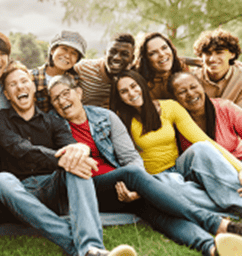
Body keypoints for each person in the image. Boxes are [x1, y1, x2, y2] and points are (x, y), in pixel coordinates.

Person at [48, 74, 242, 256]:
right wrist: (135, 179)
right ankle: (217, 224)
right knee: (132, 173)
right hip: (91, 186)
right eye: (56, 98)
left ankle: (211, 248)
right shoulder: (53, 125)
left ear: (79, 93)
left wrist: (136, 189)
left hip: (124, 185)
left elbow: (130, 156)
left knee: (158, 214)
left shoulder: (105, 117)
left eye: (66, 93)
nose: (62, 101)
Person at [0, 61, 136, 256]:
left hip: (53, 188)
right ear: (7, 94)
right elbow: (19, 148)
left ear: (33, 87)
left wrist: (80, 150)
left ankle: (92, 247)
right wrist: (59, 159)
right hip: (21, 192)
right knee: (1, 180)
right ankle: (81, 248)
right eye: (12, 84)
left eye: (24, 81)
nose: (20, 87)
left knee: (77, 166)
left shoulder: (53, 121)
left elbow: (72, 145)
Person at [109, 70, 242, 212]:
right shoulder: (119, 120)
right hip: (154, 178)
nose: (131, 93)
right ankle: (228, 207)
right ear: (119, 97)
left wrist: (240, 168)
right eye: (124, 91)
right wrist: (142, 188)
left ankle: (237, 200)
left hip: (179, 167)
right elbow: (125, 159)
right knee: (176, 186)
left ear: (141, 84)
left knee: (202, 148)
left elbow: (204, 139)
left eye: (134, 86)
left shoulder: (170, 107)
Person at [168, 71, 242, 160]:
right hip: (200, 170)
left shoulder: (225, 108)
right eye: (182, 92)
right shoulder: (172, 122)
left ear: (202, 87)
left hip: (237, 164)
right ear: (174, 98)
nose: (190, 94)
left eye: (193, 87)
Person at [74, 33, 135, 108]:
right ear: (105, 53)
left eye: (124, 54)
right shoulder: (83, 68)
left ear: (132, 59)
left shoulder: (133, 79)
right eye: (112, 52)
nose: (117, 58)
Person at [31, 30, 86, 112]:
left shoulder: (75, 80)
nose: (67, 56)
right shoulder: (32, 77)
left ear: (77, 60)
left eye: (73, 53)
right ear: (52, 50)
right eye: (64, 49)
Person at [191, 28, 242, 108]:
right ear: (201, 56)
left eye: (219, 53)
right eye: (208, 53)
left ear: (232, 54)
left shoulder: (240, 78)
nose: (212, 59)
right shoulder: (192, 78)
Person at [136, 32, 186, 100]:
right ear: (146, 59)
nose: (162, 54)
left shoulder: (185, 71)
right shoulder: (139, 84)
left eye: (164, 48)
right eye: (153, 53)